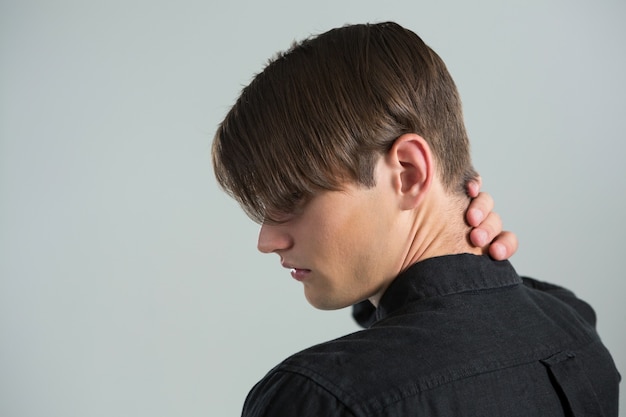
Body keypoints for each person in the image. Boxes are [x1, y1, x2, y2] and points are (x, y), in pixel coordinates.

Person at [212, 22, 619, 416]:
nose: (267, 240)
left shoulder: (320, 398)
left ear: (409, 172)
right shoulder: (575, 329)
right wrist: (470, 258)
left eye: (292, 198)